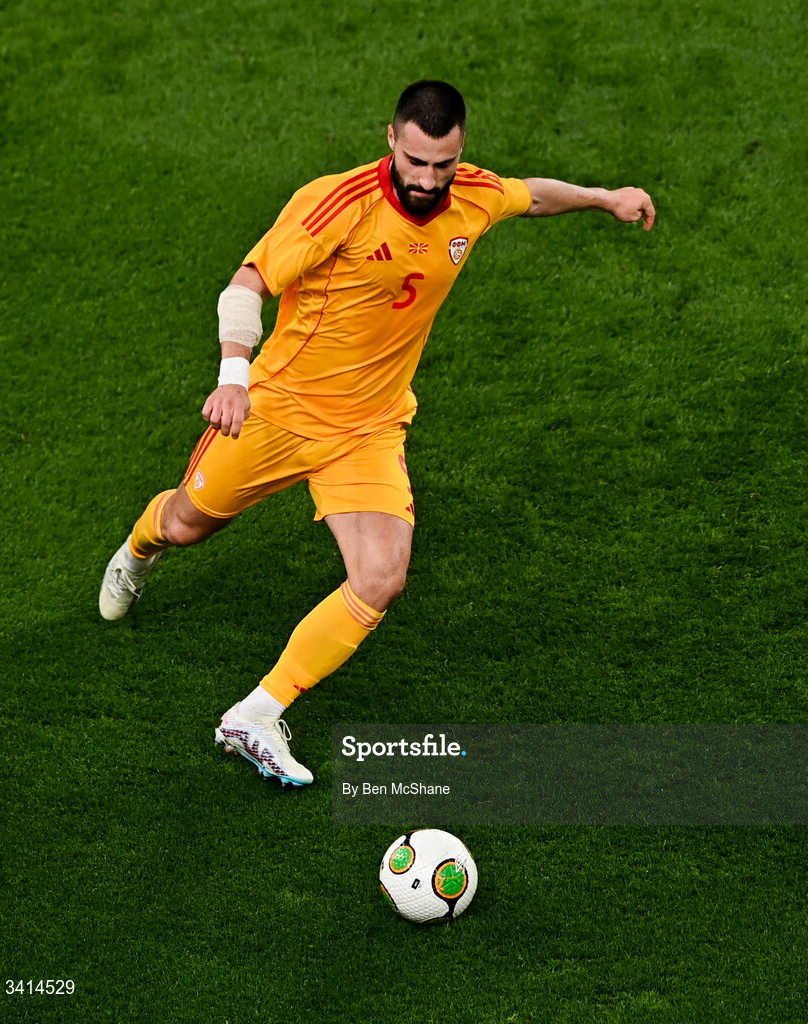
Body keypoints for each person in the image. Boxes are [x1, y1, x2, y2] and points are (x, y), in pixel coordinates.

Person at [99, 81, 656, 786]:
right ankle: (138, 548)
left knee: (380, 579)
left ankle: (254, 715)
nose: (427, 181)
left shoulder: (471, 194)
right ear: (390, 139)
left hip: (367, 429)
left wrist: (604, 197)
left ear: (459, 154)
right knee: (185, 525)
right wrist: (233, 376)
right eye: (416, 161)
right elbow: (246, 283)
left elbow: (530, 194)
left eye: (442, 165)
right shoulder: (338, 203)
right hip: (277, 412)